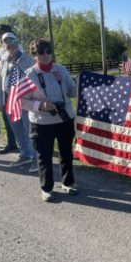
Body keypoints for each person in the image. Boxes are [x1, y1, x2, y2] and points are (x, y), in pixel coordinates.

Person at [22, 39, 78, 202]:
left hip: (64, 118)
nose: (45, 55)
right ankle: (47, 188)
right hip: (41, 122)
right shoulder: (29, 74)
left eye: (48, 51)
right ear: (34, 55)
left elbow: (72, 92)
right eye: (41, 52)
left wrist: (82, 82)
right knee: (44, 156)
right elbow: (22, 101)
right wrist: (40, 105)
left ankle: (68, 183)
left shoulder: (61, 69)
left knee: (66, 153)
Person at [0, 31, 37, 171]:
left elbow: (34, 80)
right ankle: (24, 155)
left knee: (29, 130)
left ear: (17, 42)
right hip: (9, 101)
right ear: (3, 45)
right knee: (17, 130)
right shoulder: (4, 60)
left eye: (11, 40)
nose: (9, 44)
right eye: (5, 42)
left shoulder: (28, 59)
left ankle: (36, 158)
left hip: (24, 100)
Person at [0, 24, 18, 155]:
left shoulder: (14, 44)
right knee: (6, 117)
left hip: (12, 88)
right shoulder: (0, 50)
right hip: (1, 85)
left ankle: (25, 146)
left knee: (18, 119)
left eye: (0, 33)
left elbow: (3, 63)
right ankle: (12, 143)